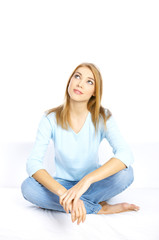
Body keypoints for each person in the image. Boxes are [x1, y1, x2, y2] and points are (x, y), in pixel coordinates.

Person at [21, 62, 140, 225]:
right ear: (69, 81)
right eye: (77, 76)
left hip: (92, 184)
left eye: (89, 81)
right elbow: (33, 163)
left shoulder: (103, 117)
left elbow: (126, 154)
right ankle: (97, 208)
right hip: (62, 185)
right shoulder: (50, 118)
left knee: (127, 173)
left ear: (94, 92)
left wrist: (85, 182)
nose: (80, 83)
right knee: (28, 187)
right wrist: (64, 193)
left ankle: (74, 201)